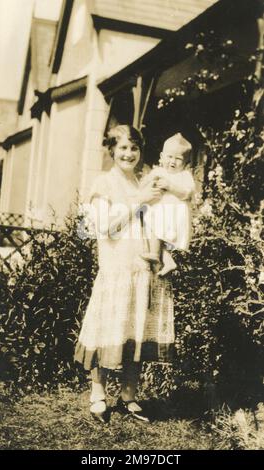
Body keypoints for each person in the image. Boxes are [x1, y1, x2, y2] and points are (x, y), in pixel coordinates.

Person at [74, 125, 175, 424]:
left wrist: (163, 254)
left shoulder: (142, 182)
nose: (129, 153)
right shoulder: (103, 183)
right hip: (115, 268)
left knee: (136, 332)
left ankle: (129, 396)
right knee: (106, 330)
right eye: (122, 148)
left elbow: (151, 225)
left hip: (141, 268)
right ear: (111, 150)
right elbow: (106, 226)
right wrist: (139, 200)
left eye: (134, 148)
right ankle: (98, 396)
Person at [140, 134, 196, 277]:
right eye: (170, 157)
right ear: (162, 156)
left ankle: (155, 255)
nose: (172, 162)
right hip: (160, 211)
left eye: (178, 159)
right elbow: (143, 185)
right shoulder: (158, 171)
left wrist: (170, 186)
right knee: (151, 230)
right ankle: (167, 260)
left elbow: (187, 193)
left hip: (172, 214)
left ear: (186, 163)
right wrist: (150, 180)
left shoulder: (184, 175)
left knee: (156, 229)